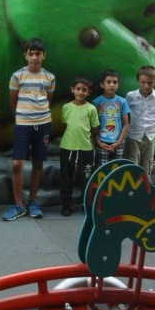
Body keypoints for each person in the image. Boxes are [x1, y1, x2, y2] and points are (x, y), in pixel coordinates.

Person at [2, 38, 55, 221]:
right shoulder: (17, 76)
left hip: (43, 123)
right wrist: (20, 118)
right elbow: (13, 101)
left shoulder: (50, 77)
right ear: (25, 55)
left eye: (37, 54)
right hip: (22, 124)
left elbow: (49, 100)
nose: (34, 57)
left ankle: (32, 202)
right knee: (17, 163)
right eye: (31, 54)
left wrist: (40, 116)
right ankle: (18, 205)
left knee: (38, 162)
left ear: (43, 55)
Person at [59, 77, 99, 217]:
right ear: (72, 89)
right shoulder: (66, 107)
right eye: (78, 89)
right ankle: (66, 204)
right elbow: (65, 124)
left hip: (86, 148)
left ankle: (85, 203)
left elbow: (95, 128)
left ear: (89, 92)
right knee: (66, 177)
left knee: (86, 177)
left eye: (84, 90)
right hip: (67, 147)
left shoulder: (91, 109)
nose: (80, 92)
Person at [124, 65, 155, 175]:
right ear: (138, 81)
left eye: (150, 83)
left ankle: (145, 184)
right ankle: (132, 184)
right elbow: (126, 114)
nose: (146, 86)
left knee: (148, 166)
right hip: (133, 136)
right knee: (132, 164)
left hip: (150, 137)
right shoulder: (131, 96)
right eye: (143, 82)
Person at [92, 69, 130, 167]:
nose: (112, 85)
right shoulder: (96, 102)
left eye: (115, 82)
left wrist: (119, 142)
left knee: (117, 169)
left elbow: (127, 123)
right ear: (102, 84)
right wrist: (99, 142)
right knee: (102, 169)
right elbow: (94, 125)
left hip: (118, 142)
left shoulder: (123, 102)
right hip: (102, 142)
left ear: (118, 85)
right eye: (108, 82)